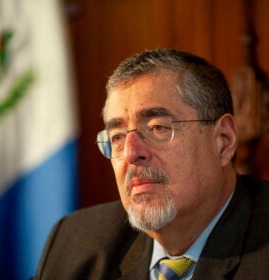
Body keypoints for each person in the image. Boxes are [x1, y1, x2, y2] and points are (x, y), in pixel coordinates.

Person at [32, 49, 269, 279]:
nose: (131, 153)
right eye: (117, 136)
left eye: (158, 128)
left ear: (223, 141)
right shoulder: (77, 242)